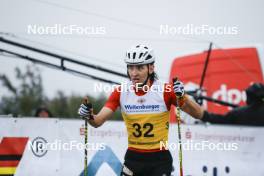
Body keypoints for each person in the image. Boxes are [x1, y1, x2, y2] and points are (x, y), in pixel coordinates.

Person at [78, 44, 204, 176]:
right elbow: (97, 122)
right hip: (133, 158)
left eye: (139, 67)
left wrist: (184, 97)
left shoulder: (166, 90)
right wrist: (89, 115)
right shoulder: (121, 92)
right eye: (130, 67)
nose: (134, 73)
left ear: (151, 68)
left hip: (160, 158)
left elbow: (198, 114)